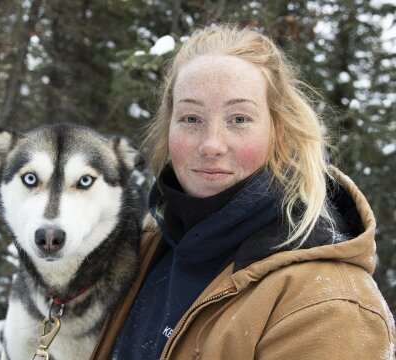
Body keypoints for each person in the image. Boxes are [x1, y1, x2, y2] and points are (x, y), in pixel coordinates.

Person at [90, 25, 395, 359]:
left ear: (279, 131)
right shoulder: (142, 247)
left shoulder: (327, 306)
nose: (211, 145)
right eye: (191, 118)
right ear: (168, 128)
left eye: (239, 119)